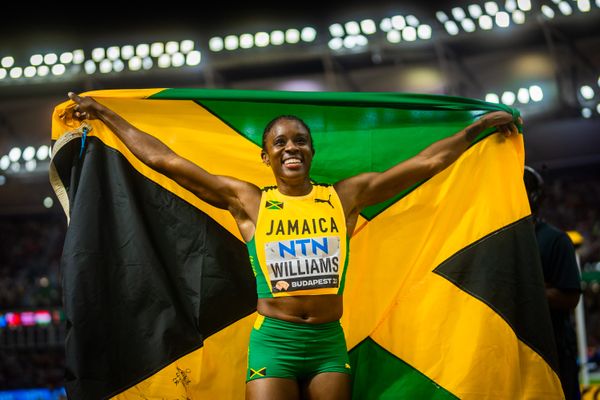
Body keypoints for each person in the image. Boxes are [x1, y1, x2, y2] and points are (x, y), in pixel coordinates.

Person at [63, 91, 519, 400]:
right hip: (275, 341)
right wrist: (106, 116)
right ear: (266, 156)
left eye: (300, 140)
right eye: (279, 142)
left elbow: (425, 163)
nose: (291, 147)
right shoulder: (249, 202)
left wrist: (473, 131)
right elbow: (166, 160)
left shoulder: (344, 197)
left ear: (312, 151)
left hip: (327, 341)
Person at [524, 165, 582, 400]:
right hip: (517, 351)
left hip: (554, 353)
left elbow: (570, 297)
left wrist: (526, 291)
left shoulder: (555, 240)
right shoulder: (502, 242)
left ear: (534, 197)